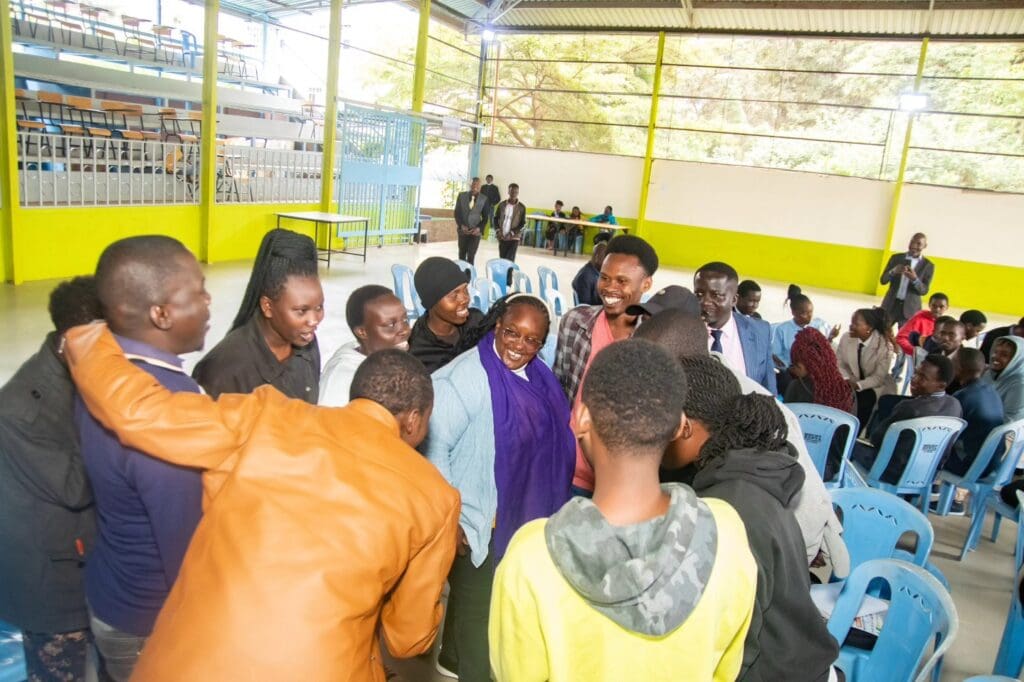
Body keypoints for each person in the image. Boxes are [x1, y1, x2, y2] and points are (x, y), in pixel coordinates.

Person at [64, 325, 460, 681]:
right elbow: (408, 640)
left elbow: (139, 413)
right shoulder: (435, 496)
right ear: (413, 420)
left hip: (190, 663)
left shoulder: (266, 415)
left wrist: (88, 339)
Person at [489, 340, 758, 682]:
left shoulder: (530, 558)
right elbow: (726, 668)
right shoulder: (728, 534)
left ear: (583, 419)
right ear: (678, 425)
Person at [76, 236, 211, 681]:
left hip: (110, 586)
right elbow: (185, 551)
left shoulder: (104, 370)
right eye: (199, 291)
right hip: (147, 619)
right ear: (161, 313)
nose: (209, 302)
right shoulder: (166, 410)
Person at [424, 294, 575, 682]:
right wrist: (452, 521)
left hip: (525, 514)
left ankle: (454, 657)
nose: (518, 346)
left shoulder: (539, 375)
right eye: (512, 333)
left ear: (542, 344)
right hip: (480, 524)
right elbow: (434, 450)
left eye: (531, 340)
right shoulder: (462, 380)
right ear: (497, 327)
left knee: (493, 613)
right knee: (482, 625)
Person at [664, 355, 840, 682]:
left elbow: (735, 645)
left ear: (683, 426)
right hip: (796, 657)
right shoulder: (747, 473)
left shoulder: (729, 509)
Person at [634, 310, 850, 574]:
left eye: (652, 369)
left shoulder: (756, 413)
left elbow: (808, 511)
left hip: (799, 555)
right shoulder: (679, 396)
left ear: (686, 364)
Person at [0, 277, 101, 682]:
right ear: (69, 341)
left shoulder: (77, 375)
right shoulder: (24, 411)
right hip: (51, 588)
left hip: (79, 564)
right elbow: (76, 487)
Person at [555, 235, 657, 494]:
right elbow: (558, 391)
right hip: (563, 467)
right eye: (605, 277)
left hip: (617, 484)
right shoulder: (575, 323)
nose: (610, 288)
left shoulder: (653, 340)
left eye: (622, 281)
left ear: (646, 284)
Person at [194, 228, 323, 403]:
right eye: (301, 310)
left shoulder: (306, 344)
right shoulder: (223, 369)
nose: (314, 320)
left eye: (319, 307)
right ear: (267, 306)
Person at [852, 354, 962, 484]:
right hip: (927, 473)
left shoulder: (909, 407)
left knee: (846, 443)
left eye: (922, 377)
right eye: (916, 373)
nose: (914, 379)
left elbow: (877, 438)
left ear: (941, 385)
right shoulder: (955, 405)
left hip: (892, 472)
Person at [318, 285, 410, 407]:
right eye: (390, 325)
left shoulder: (390, 356)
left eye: (404, 319)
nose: (404, 330)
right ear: (362, 332)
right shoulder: (342, 379)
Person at [694, 261, 776, 393]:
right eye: (699, 294)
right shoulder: (682, 330)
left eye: (716, 295)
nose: (705, 302)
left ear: (734, 299)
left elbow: (769, 391)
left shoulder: (760, 331)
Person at [408, 257, 484, 373]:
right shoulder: (419, 352)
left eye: (465, 290)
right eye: (454, 295)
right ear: (431, 302)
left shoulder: (477, 323)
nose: (465, 299)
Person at [942, 348, 1005, 482]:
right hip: (991, 462)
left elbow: (943, 432)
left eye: (952, 362)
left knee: (926, 449)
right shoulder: (990, 390)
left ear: (958, 368)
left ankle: (911, 494)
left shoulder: (963, 396)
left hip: (971, 466)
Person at [836, 307, 898, 429]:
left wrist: (858, 385)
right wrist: (847, 379)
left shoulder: (885, 347)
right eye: (851, 322)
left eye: (856, 324)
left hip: (875, 386)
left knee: (865, 400)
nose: (851, 326)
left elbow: (878, 378)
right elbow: (839, 363)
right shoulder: (846, 338)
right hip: (849, 380)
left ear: (869, 328)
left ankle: (855, 432)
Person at [771, 285, 840, 393]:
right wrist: (789, 368)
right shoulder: (782, 330)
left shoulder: (820, 324)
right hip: (793, 372)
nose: (809, 316)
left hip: (816, 370)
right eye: (804, 313)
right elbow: (776, 355)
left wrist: (830, 337)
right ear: (794, 313)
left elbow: (825, 350)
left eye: (810, 312)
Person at [785, 327, 855, 414]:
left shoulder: (796, 387)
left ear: (804, 365)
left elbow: (787, 419)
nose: (792, 368)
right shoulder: (846, 389)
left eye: (794, 364)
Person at [879, 232, 935, 328]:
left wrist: (915, 279)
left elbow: (924, 291)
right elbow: (883, 280)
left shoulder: (928, 265)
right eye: (912, 242)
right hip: (890, 305)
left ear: (925, 246)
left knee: (904, 339)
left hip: (910, 310)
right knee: (880, 332)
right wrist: (893, 271)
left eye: (918, 244)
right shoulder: (896, 258)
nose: (914, 246)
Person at [895, 292, 950, 357]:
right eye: (934, 306)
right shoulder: (918, 319)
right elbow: (900, 338)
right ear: (929, 305)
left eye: (941, 307)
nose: (937, 309)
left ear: (947, 307)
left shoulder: (949, 324)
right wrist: (917, 352)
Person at [454, 177, 491, 266]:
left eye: (477, 184)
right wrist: (461, 225)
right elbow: (457, 213)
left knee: (471, 255)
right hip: (463, 231)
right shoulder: (461, 196)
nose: (475, 186)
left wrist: (479, 228)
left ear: (480, 186)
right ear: (470, 185)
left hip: (475, 232)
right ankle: (461, 276)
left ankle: (470, 277)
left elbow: (485, 218)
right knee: (462, 254)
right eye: (473, 184)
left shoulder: (484, 199)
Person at [987, 336, 1024, 423]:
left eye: (1004, 355)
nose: (995, 356)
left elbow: (1010, 421)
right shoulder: (987, 374)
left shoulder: (1020, 385)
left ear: (1018, 360)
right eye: (995, 352)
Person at [570, 231, 611, 306]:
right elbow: (585, 305)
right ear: (597, 257)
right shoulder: (586, 276)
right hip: (590, 312)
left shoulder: (594, 271)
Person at [493, 182, 526, 262]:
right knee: (502, 259)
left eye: (515, 192)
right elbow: (495, 219)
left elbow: (522, 223)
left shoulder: (522, 207)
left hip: (514, 237)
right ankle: (503, 275)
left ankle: (509, 275)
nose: (513, 194)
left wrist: (512, 233)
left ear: (518, 193)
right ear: (508, 192)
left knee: (510, 260)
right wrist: (498, 231)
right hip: (502, 236)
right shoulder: (502, 205)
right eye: (511, 191)